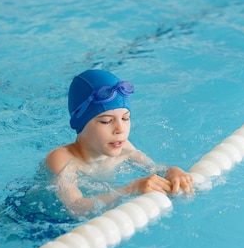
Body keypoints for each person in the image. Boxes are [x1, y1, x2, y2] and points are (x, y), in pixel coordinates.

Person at [46, 69, 194, 219]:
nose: (120, 130)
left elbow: (154, 170)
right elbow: (75, 208)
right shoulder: (61, 158)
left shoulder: (123, 147)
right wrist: (132, 188)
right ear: (80, 124)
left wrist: (172, 172)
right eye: (106, 121)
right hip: (42, 220)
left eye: (125, 118)